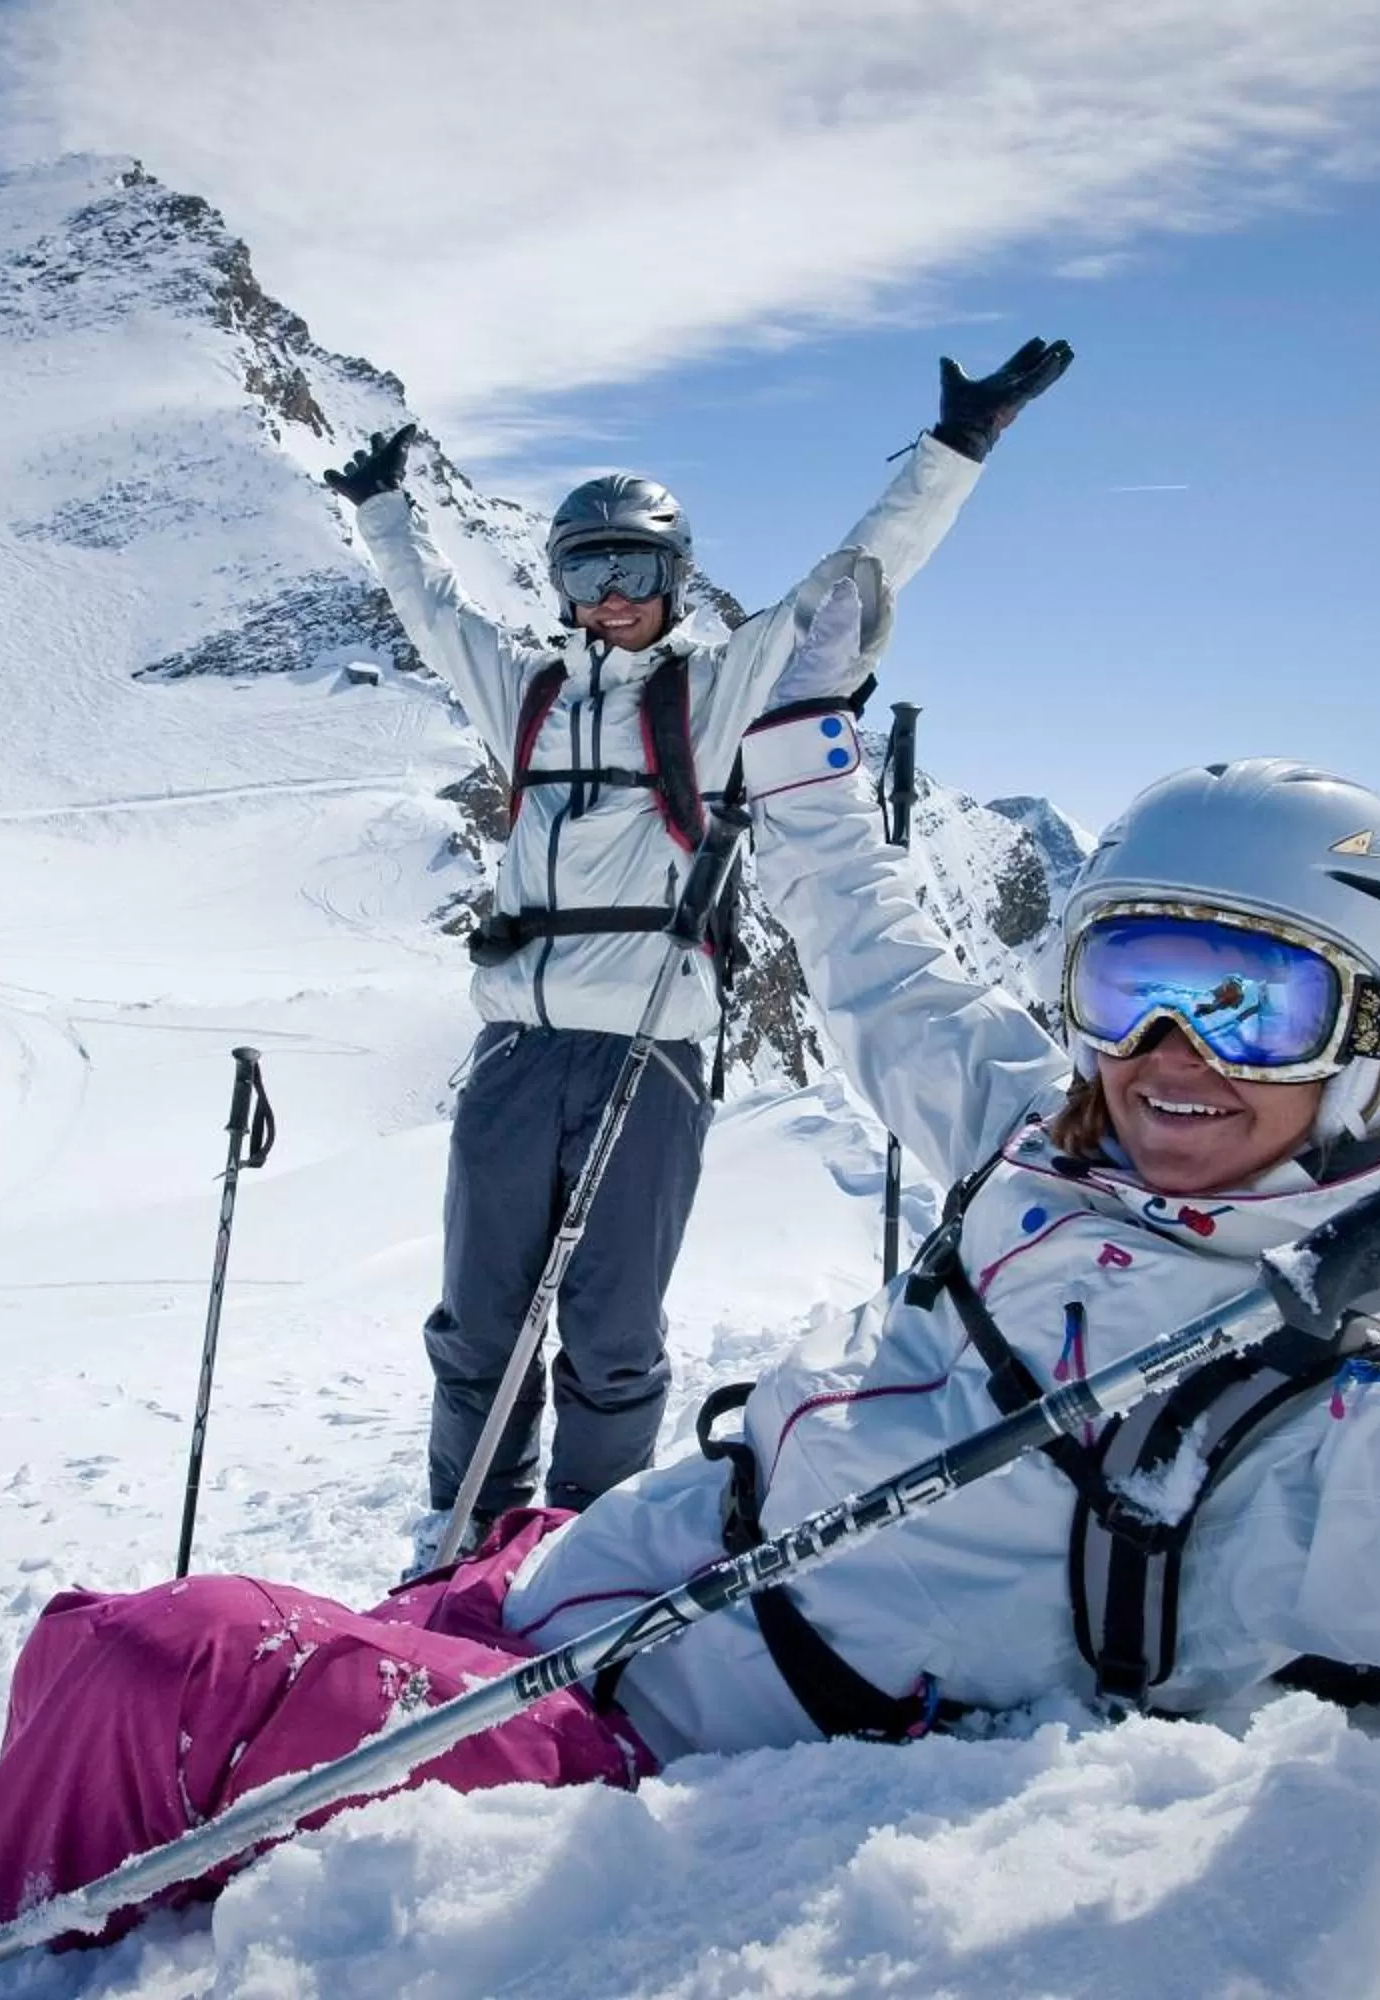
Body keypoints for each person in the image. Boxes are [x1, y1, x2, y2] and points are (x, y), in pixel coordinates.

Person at [0, 582, 1380, 1957]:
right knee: (158, 1659)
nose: (1171, 1055)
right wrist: (807, 760)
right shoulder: (1056, 1141)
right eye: (1132, 984)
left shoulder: (1303, 1416)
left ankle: (23, 1945)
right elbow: (879, 969)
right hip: (597, 1577)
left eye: (1250, 1002)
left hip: (650, 1719)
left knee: (140, 1658)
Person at [319, 337, 1074, 1560]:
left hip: (652, 1054)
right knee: (479, 1327)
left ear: (677, 577)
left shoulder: (711, 694)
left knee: (612, 1334)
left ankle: (575, 1551)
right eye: (588, 567)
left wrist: (956, 450)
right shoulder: (521, 694)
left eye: (638, 566)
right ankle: (461, 1536)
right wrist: (382, 510)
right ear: (561, 581)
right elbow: (429, 608)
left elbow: (851, 581)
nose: (613, 593)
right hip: (516, 1050)